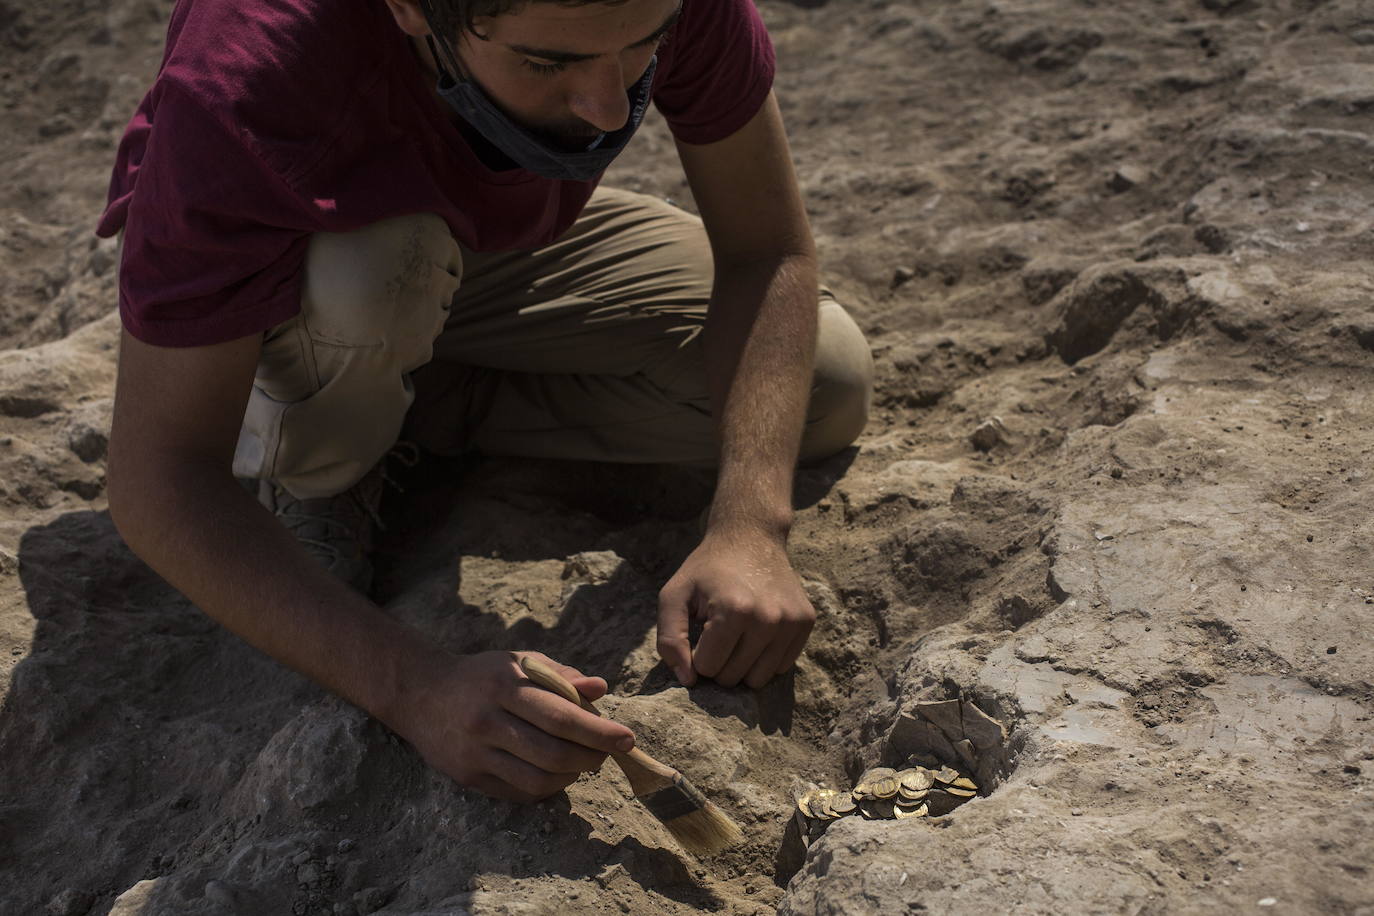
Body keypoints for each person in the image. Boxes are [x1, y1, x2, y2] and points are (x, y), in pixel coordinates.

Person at [99, 0, 874, 802]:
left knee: (825, 381)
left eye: (643, 46)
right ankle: (317, 464)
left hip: (489, 245)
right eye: (547, 64)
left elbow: (768, 250)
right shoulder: (246, 81)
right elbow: (160, 481)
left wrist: (749, 522)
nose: (610, 106)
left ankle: (396, 401)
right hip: (312, 244)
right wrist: (414, 688)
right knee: (378, 269)